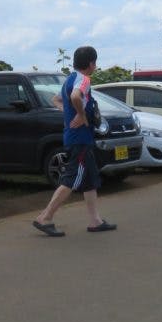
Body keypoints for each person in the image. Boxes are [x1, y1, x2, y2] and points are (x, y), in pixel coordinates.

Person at [33, 45, 116, 237]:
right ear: (91, 63)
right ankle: (45, 217)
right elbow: (74, 96)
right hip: (80, 139)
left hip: (77, 138)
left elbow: (56, 100)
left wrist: (71, 113)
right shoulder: (84, 79)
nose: (95, 66)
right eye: (95, 63)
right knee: (71, 179)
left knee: (90, 180)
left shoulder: (70, 78)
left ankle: (95, 221)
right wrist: (81, 115)